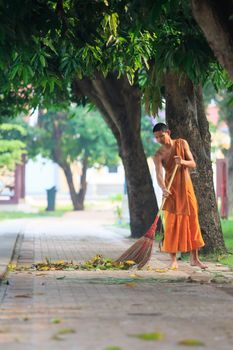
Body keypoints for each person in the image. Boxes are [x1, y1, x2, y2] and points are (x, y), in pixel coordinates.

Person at [153, 122, 207, 270]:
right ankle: (173, 260)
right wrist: (163, 188)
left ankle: (194, 258)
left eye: (161, 136)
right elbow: (158, 175)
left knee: (192, 222)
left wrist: (182, 161)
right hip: (171, 191)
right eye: (156, 138)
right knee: (171, 225)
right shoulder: (158, 154)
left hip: (186, 189)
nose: (159, 140)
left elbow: (193, 163)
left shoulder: (182, 143)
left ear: (168, 132)